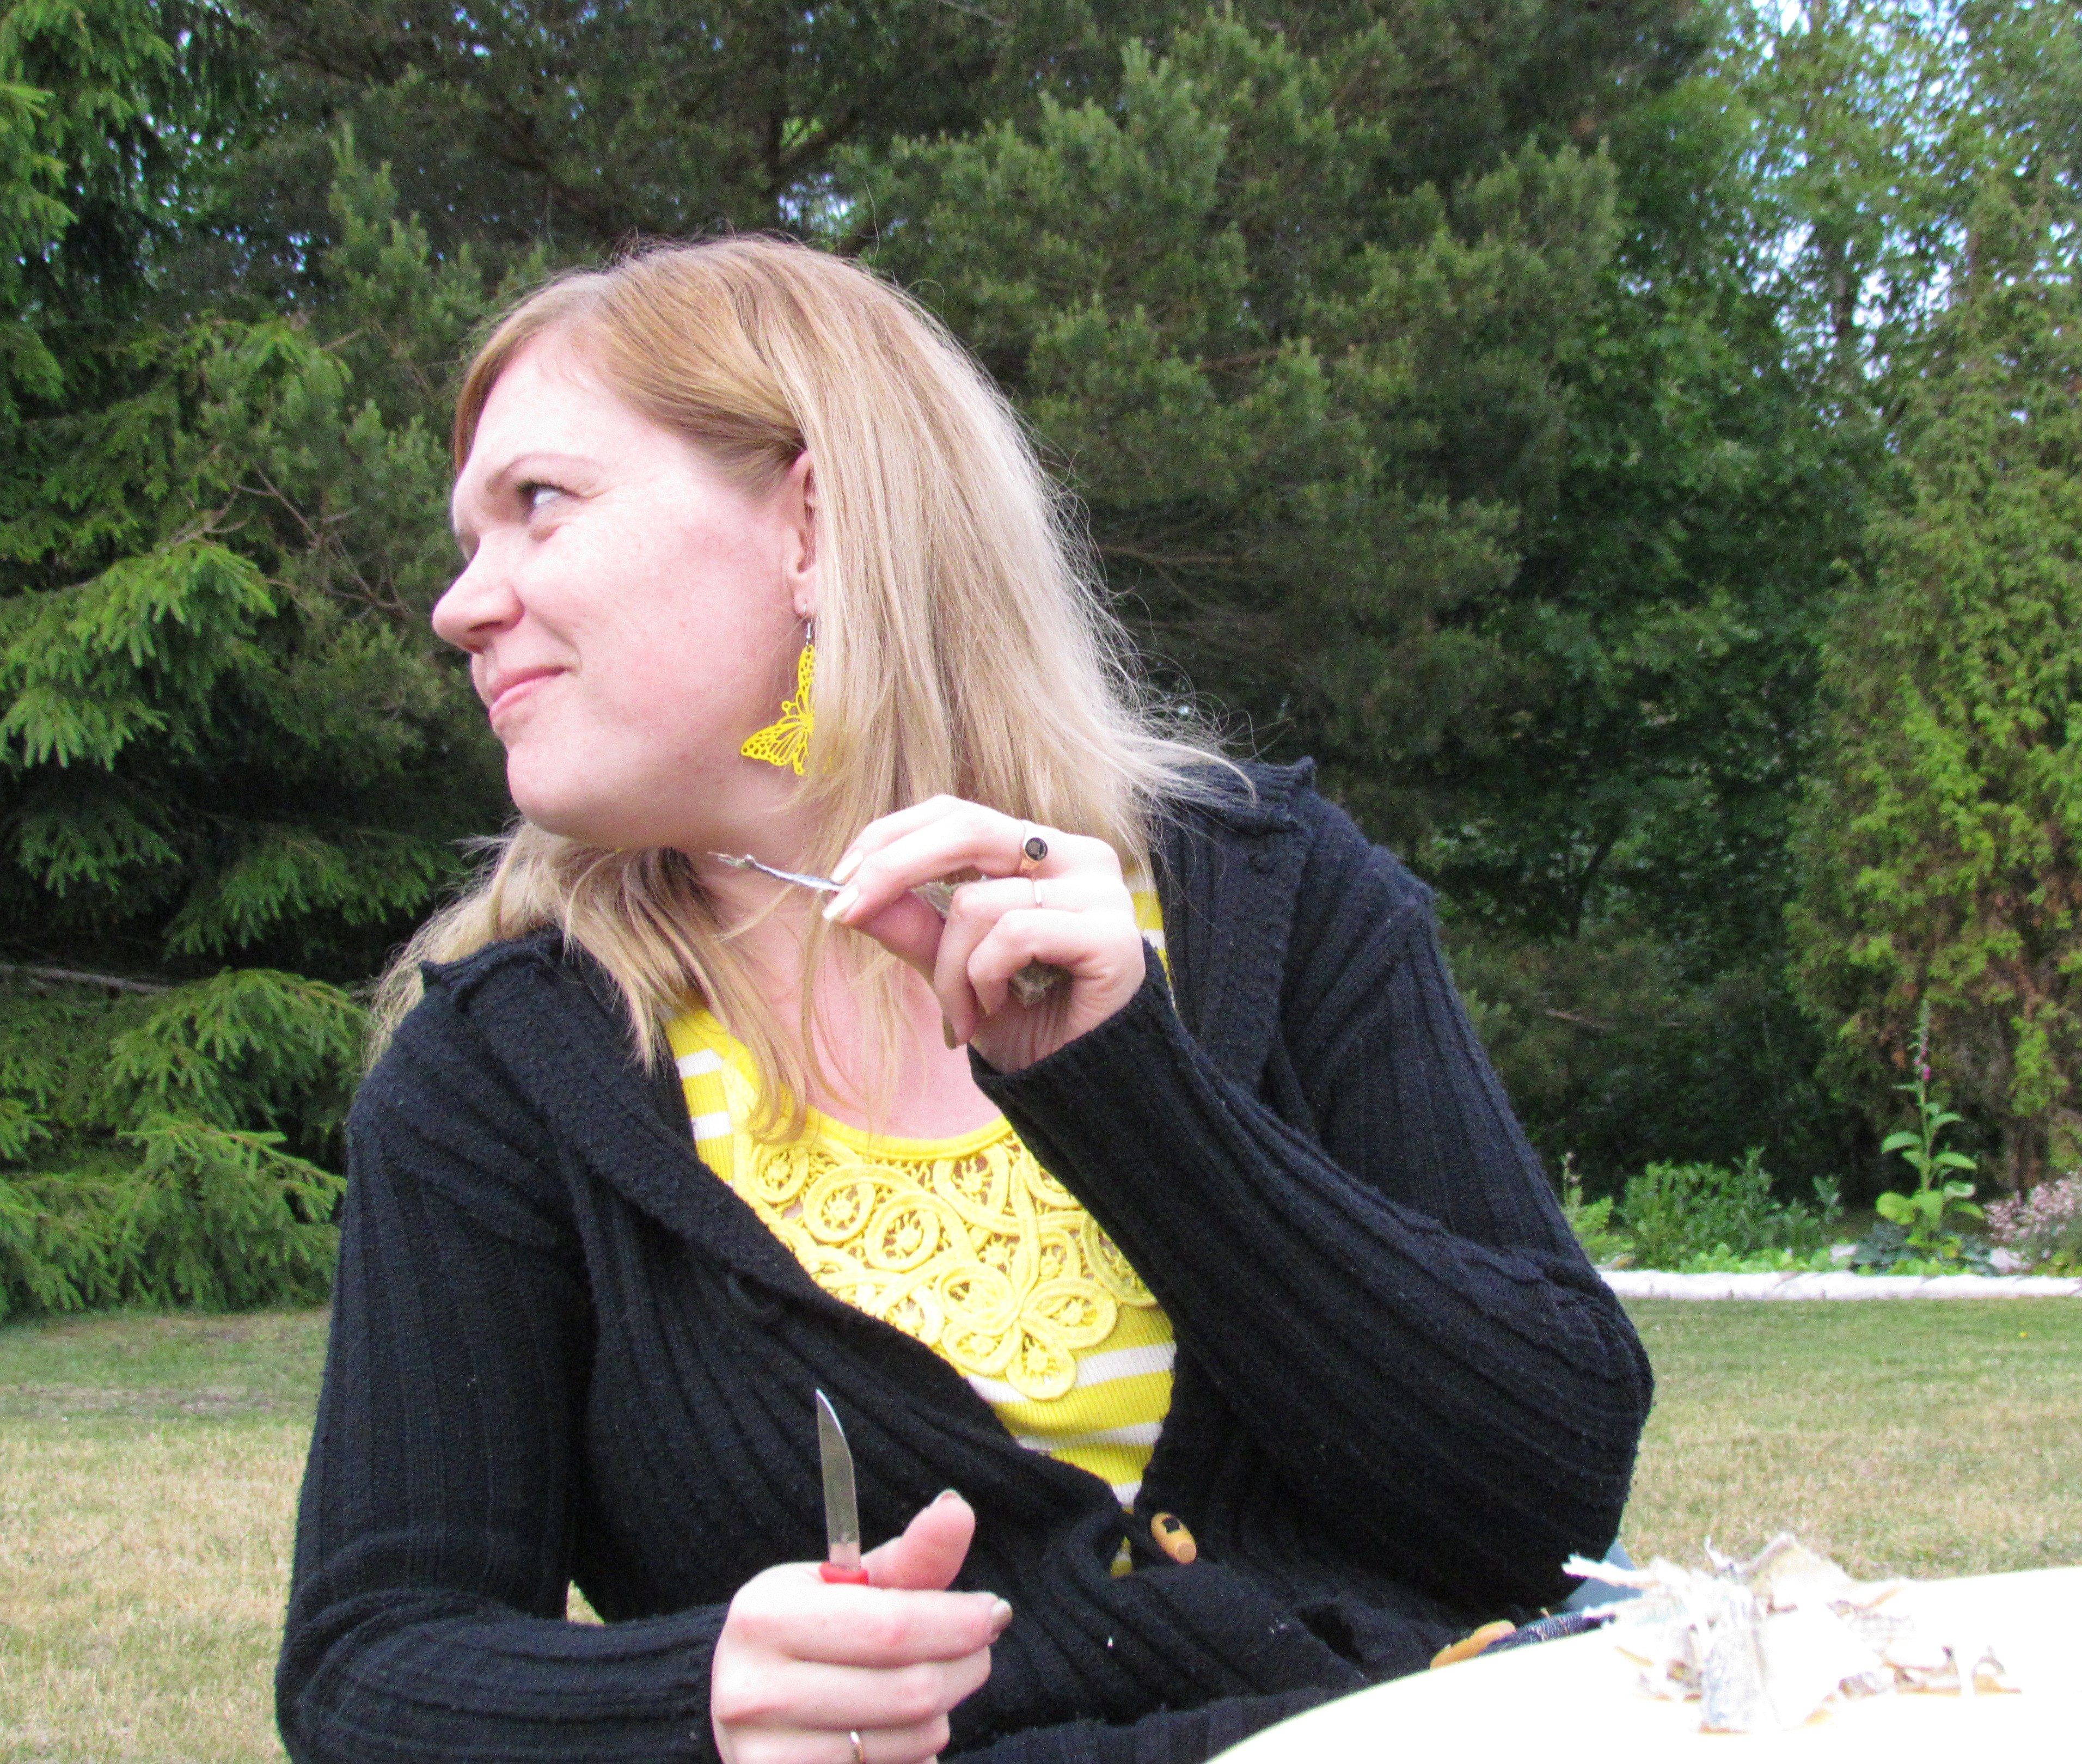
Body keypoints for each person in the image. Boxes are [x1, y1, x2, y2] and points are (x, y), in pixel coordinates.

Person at [276, 236, 1652, 1764]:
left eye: (540, 502)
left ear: (812, 524)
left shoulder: (1273, 895)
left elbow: (1546, 1498)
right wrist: (699, 1694)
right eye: (468, 540)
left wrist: (1130, 1090)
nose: (461, 606)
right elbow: (370, 1667)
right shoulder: (506, 1075)